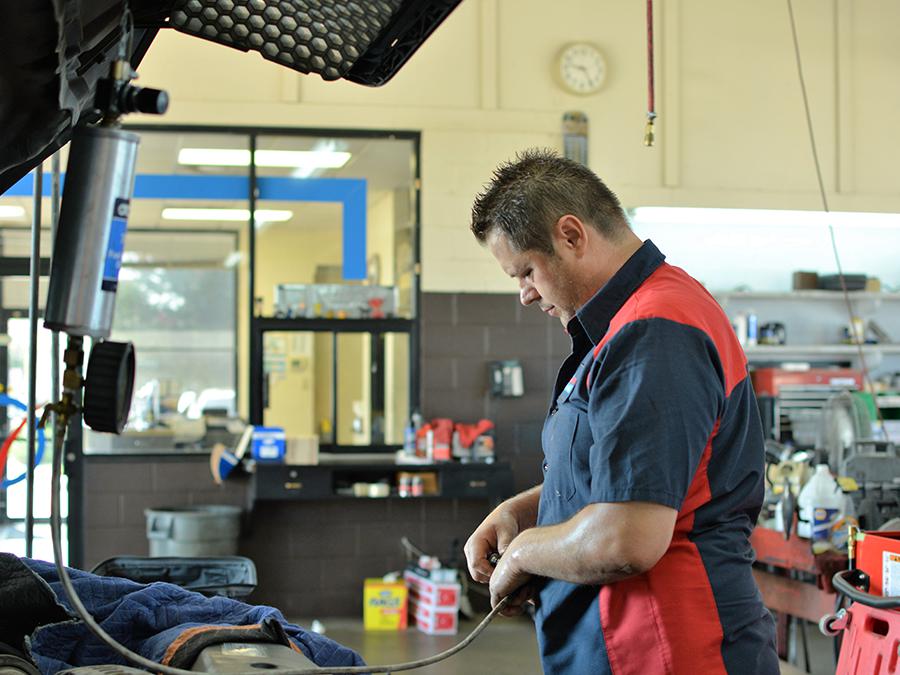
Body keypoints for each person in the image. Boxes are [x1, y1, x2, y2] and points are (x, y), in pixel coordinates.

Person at [463, 149, 778, 674]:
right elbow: (634, 471)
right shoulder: (630, 324)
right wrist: (524, 512)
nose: (524, 294)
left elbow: (624, 537)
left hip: (669, 647)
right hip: (627, 642)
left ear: (571, 235)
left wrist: (522, 554)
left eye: (526, 272)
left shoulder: (655, 330)